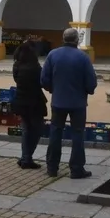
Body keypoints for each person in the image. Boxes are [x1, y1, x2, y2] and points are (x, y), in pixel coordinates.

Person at [40, 27, 97, 179]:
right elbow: (91, 82)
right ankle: (77, 168)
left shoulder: (53, 55)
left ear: (63, 38)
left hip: (58, 101)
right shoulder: (83, 57)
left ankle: (52, 168)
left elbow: (44, 79)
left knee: (55, 133)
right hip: (78, 103)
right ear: (77, 40)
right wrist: (87, 91)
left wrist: (53, 89)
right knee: (78, 134)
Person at [12, 40, 47, 169]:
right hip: (34, 102)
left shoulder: (17, 65)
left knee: (26, 129)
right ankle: (27, 158)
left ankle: (25, 157)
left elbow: (16, 80)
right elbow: (43, 82)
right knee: (37, 129)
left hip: (20, 101)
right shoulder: (35, 68)